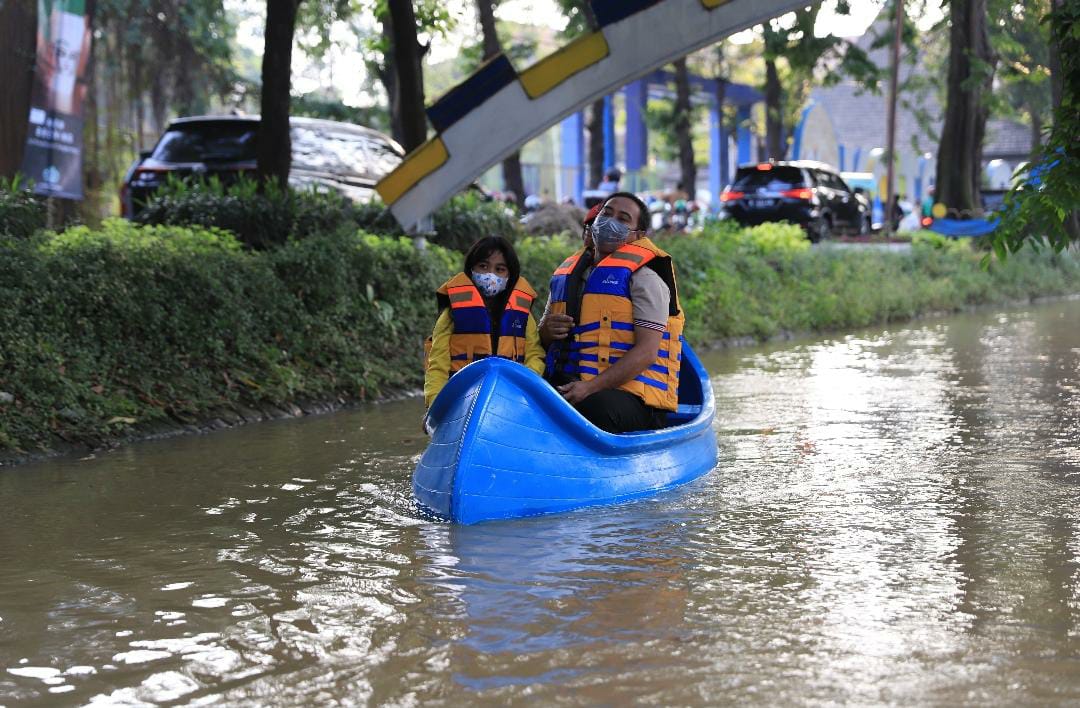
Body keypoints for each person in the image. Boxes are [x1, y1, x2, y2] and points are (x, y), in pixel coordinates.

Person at [539, 192, 685, 434]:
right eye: (606, 214)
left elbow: (647, 353)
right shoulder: (568, 277)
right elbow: (542, 336)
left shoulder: (646, 279)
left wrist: (590, 387)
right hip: (575, 384)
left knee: (588, 407)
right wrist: (546, 331)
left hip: (632, 399)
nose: (610, 221)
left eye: (623, 218)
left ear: (638, 235)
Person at [424, 237, 545, 411]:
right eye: (483, 266)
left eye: (500, 269)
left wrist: (522, 389)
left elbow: (535, 355)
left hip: (509, 399)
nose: (491, 275)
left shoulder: (523, 315)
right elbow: (437, 364)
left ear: (510, 276)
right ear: (471, 269)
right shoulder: (450, 314)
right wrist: (434, 406)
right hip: (462, 400)